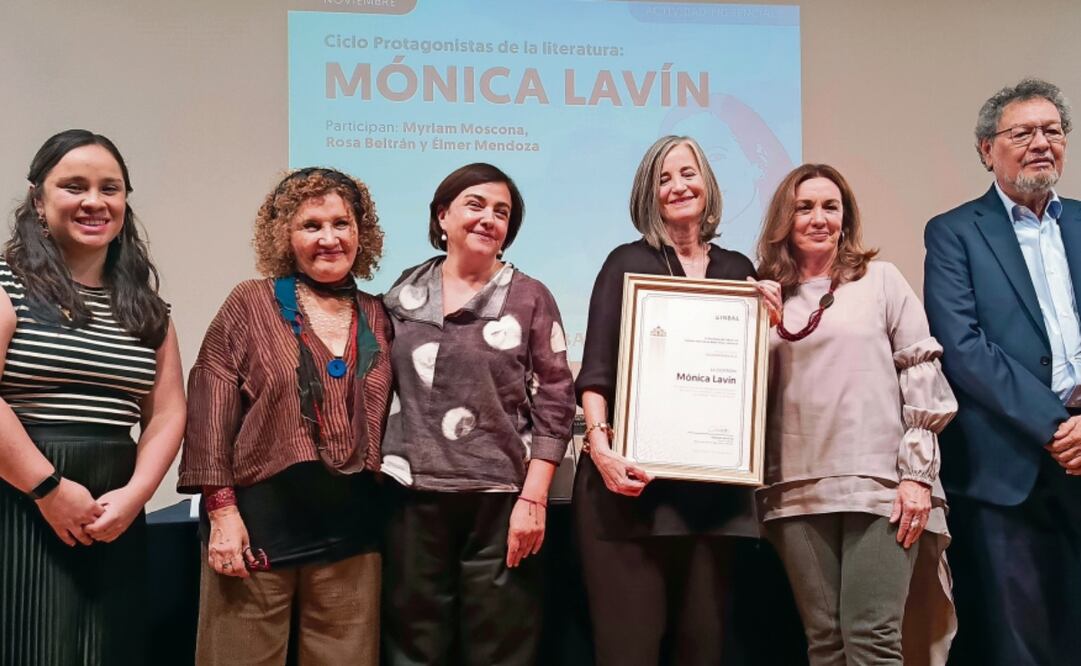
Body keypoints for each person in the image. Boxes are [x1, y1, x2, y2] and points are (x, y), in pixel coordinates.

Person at [573, 135, 781, 666]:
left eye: (688, 173)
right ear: (649, 193)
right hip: (630, 493)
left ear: (708, 185)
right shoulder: (626, 263)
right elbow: (595, 371)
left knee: (703, 650)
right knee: (629, 652)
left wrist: (773, 322)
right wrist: (599, 448)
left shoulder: (741, 273)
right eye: (664, 178)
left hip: (713, 498)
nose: (678, 186)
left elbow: (758, 384)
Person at [178, 167, 392, 665]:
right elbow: (210, 412)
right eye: (310, 225)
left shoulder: (379, 314)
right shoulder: (249, 303)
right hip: (257, 533)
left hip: (352, 536)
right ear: (284, 235)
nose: (329, 238)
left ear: (362, 232)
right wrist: (223, 514)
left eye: (342, 223)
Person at [756, 163, 957, 665]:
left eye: (831, 206)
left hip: (882, 488)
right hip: (794, 490)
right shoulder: (760, 298)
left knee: (872, 638)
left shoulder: (882, 280)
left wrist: (916, 478)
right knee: (825, 642)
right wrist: (754, 323)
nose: (818, 217)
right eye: (804, 207)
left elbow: (921, 376)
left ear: (846, 218)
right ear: (785, 218)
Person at [0, 129, 186, 665]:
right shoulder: (7, 285)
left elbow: (168, 412)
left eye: (111, 188)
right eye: (73, 186)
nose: (94, 202)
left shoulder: (148, 309)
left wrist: (135, 497)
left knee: (111, 650)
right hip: (19, 498)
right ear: (38, 200)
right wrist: (48, 489)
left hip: (115, 509)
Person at [380, 162, 576, 666]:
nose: (489, 218)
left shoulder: (529, 296)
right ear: (442, 215)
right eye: (476, 205)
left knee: (500, 651)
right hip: (411, 496)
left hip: (500, 500)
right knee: (413, 649)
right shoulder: (401, 295)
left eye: (502, 211)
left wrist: (534, 498)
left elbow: (556, 399)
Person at [923, 78, 1081, 665]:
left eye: (1053, 131)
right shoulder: (954, 232)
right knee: (1020, 645)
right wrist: (1056, 424)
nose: (1041, 142)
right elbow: (962, 347)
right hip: (1006, 469)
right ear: (987, 149)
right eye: (1023, 132)